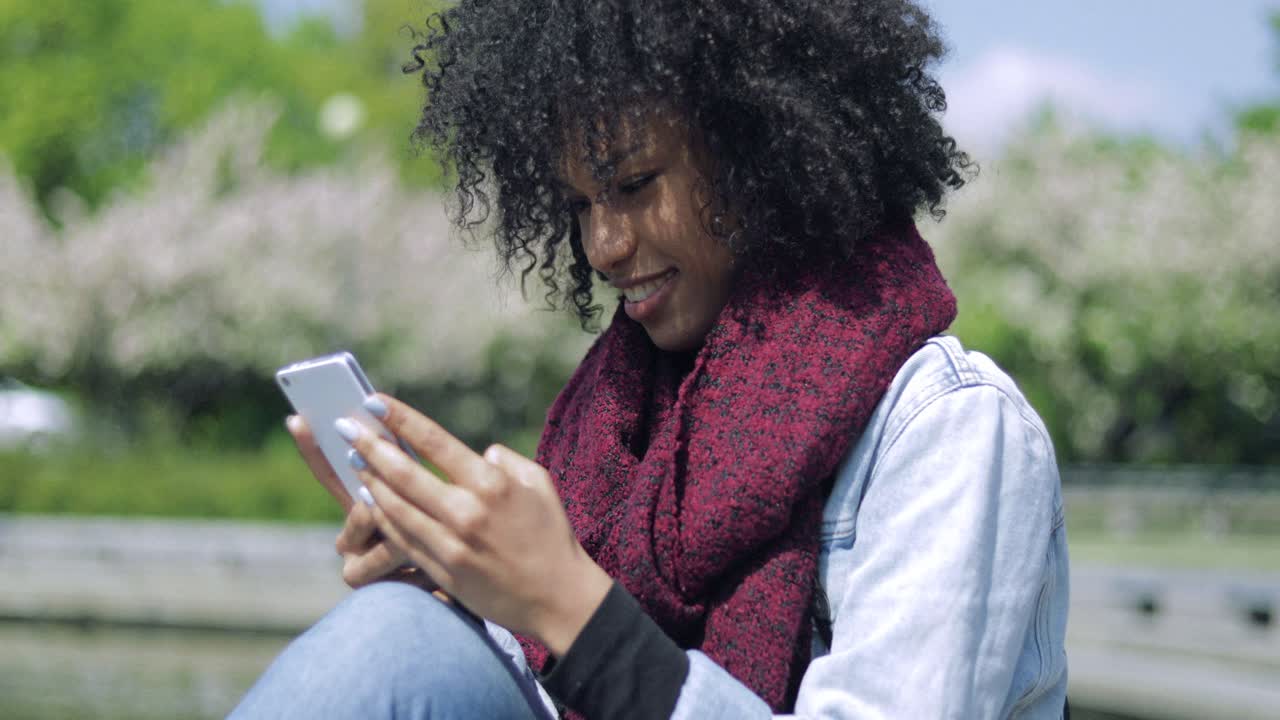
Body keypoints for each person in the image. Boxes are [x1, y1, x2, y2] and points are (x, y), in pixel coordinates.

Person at [232, 0, 1069, 718]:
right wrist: (458, 589)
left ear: (758, 149)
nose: (603, 244)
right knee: (401, 636)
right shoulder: (612, 422)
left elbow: (589, 643)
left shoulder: (948, 426)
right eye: (579, 204)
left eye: (634, 185)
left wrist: (571, 609)